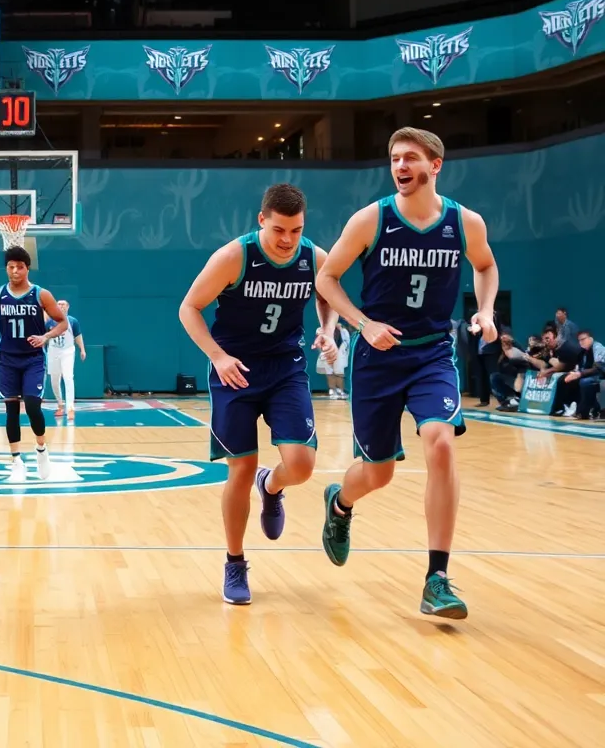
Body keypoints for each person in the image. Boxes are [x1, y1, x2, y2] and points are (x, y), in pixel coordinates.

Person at [315, 127, 498, 620]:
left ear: (435, 165)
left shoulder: (465, 222)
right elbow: (326, 278)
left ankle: (437, 577)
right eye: (394, 158)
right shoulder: (371, 219)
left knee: (439, 442)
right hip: (377, 358)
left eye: (411, 158)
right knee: (378, 474)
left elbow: (485, 267)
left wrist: (485, 311)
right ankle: (339, 504)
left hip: (432, 354)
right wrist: (362, 323)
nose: (400, 166)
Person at [178, 183, 338, 605]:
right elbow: (189, 308)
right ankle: (235, 562)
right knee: (241, 469)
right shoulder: (234, 256)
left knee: (302, 465)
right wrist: (217, 356)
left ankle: (273, 486)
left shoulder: (313, 257)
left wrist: (328, 328)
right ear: (262, 220)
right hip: (236, 371)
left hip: (285, 368)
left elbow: (328, 293)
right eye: (279, 230)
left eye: (296, 230)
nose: (287, 240)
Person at [0, 246, 69, 483]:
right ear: (6, 268)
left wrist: (46, 337)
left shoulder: (41, 294)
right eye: (11, 267)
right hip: (7, 359)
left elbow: (62, 322)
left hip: (33, 358)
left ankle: (41, 449)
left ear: (27, 268)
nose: (15, 271)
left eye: (19, 267)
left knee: (31, 405)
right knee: (11, 410)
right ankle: (16, 460)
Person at [45, 300, 86, 420]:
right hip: (53, 351)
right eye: (59, 304)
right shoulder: (49, 321)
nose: (61, 306)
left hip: (68, 351)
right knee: (54, 380)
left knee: (68, 377)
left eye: (64, 304)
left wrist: (82, 349)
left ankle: (70, 408)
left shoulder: (73, 321)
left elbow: (78, 336)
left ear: (68, 307)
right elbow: (44, 337)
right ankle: (60, 404)